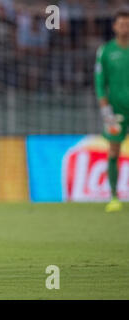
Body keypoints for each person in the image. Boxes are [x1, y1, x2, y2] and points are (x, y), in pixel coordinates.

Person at [95, 9, 129, 213]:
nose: (125, 27)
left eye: (128, 24)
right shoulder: (106, 51)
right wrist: (105, 109)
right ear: (114, 27)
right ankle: (114, 196)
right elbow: (100, 83)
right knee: (114, 150)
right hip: (115, 111)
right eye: (122, 24)